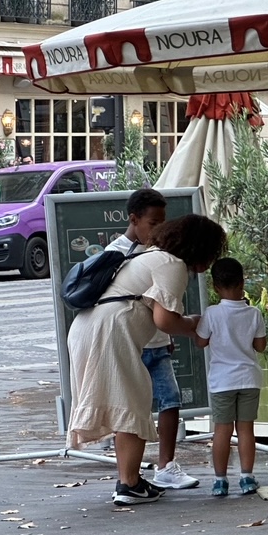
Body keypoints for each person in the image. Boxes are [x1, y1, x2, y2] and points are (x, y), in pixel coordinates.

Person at [66, 214, 227, 506]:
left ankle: (130, 481)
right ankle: (128, 483)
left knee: (123, 402)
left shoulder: (149, 256)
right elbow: (165, 320)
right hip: (111, 331)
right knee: (132, 402)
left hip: (87, 327)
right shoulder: (172, 265)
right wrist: (194, 326)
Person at [106, 188, 199, 490]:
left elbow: (160, 304)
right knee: (130, 409)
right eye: (152, 222)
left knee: (169, 400)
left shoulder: (158, 252)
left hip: (155, 340)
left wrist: (166, 333)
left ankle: (165, 465)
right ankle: (129, 478)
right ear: (133, 219)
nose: (158, 229)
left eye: (162, 222)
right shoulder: (117, 253)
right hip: (128, 341)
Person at [194, 257, 268, 496]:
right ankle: (247, 478)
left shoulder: (212, 314)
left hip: (222, 381)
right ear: (242, 282)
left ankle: (220, 481)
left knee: (222, 430)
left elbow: (200, 341)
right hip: (248, 378)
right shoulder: (254, 313)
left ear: (215, 286)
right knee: (246, 429)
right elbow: (260, 346)